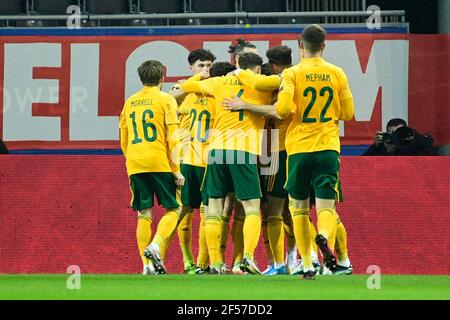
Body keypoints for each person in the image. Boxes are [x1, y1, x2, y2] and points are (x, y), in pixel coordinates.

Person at [181, 52, 273, 274]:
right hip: (243, 149)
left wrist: (201, 76)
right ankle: (247, 259)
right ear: (258, 69)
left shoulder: (218, 82)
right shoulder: (262, 85)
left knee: (213, 207)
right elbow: (280, 81)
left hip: (216, 151)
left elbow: (186, 86)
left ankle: (215, 263)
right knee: (251, 207)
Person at [276, 24, 354, 280]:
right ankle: (325, 240)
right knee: (326, 207)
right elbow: (348, 114)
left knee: (298, 208)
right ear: (324, 46)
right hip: (328, 146)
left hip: (299, 148)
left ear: (301, 46)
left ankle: (308, 263)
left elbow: (283, 109)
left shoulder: (292, 74)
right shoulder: (337, 73)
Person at [119, 60, 185, 275]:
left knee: (144, 214)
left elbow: (123, 138)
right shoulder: (166, 99)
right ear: (162, 78)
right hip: (158, 160)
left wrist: (132, 159)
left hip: (135, 162)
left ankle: (146, 266)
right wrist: (176, 168)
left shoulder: (130, 102)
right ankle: (156, 245)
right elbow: (173, 138)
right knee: (174, 208)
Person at [170, 49, 216, 274]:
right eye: (201, 65)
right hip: (185, 159)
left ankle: (203, 263)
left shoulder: (215, 90)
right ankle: (187, 261)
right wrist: (193, 82)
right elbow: (170, 99)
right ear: (191, 67)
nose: (206, 69)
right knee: (184, 212)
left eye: (209, 65)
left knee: (207, 213)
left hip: (209, 161)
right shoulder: (182, 88)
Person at [362, 118, 434, 155]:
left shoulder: (412, 142)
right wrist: (376, 146)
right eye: (392, 133)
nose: (396, 135)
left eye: (399, 132)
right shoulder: (386, 142)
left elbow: (428, 143)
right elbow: (362, 163)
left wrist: (413, 134)